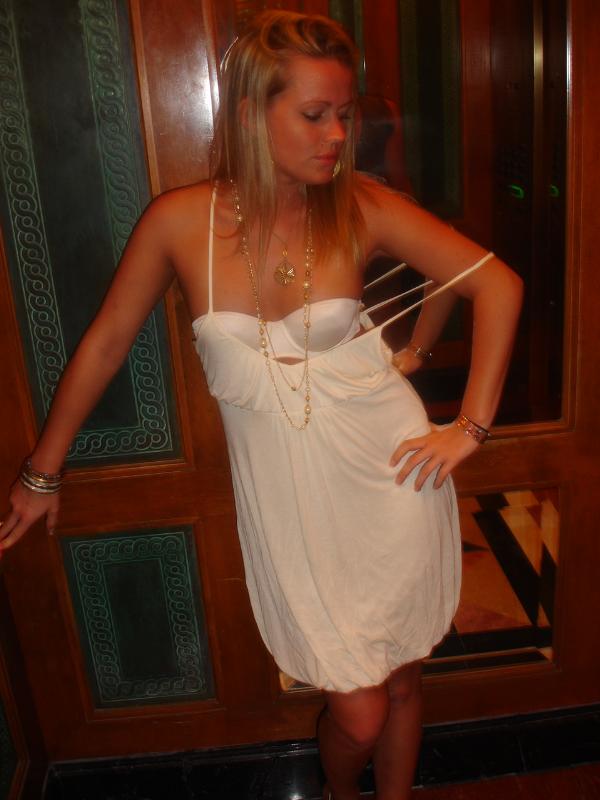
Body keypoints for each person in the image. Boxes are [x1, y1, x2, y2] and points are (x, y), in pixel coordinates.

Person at [0, 11, 522, 800]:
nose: (337, 134)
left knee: (403, 679)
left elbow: (496, 284)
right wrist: (42, 474)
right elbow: (106, 345)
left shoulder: (363, 207)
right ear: (250, 114)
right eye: (314, 114)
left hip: (394, 477)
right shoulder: (180, 221)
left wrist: (469, 428)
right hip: (293, 506)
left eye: (343, 114)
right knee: (358, 712)